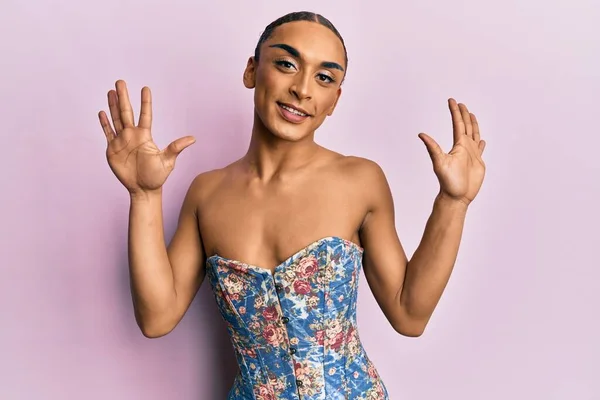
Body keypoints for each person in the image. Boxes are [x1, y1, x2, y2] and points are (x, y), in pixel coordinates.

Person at [97, 10, 486, 400]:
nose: (302, 89)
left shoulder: (360, 180)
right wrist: (144, 196)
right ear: (252, 71)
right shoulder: (207, 193)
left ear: (334, 99)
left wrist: (454, 201)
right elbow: (156, 318)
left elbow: (409, 314)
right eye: (286, 64)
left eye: (324, 77)